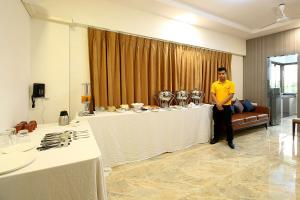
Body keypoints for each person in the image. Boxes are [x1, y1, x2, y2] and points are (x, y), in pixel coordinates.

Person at [210, 67, 235, 149]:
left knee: (228, 124)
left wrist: (220, 103)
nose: (221, 75)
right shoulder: (214, 84)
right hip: (217, 106)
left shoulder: (231, 84)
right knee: (217, 124)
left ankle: (230, 140)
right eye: (219, 74)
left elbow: (231, 95)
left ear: (226, 74)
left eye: (223, 73)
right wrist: (218, 104)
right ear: (218, 75)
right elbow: (213, 94)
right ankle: (216, 138)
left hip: (227, 107)